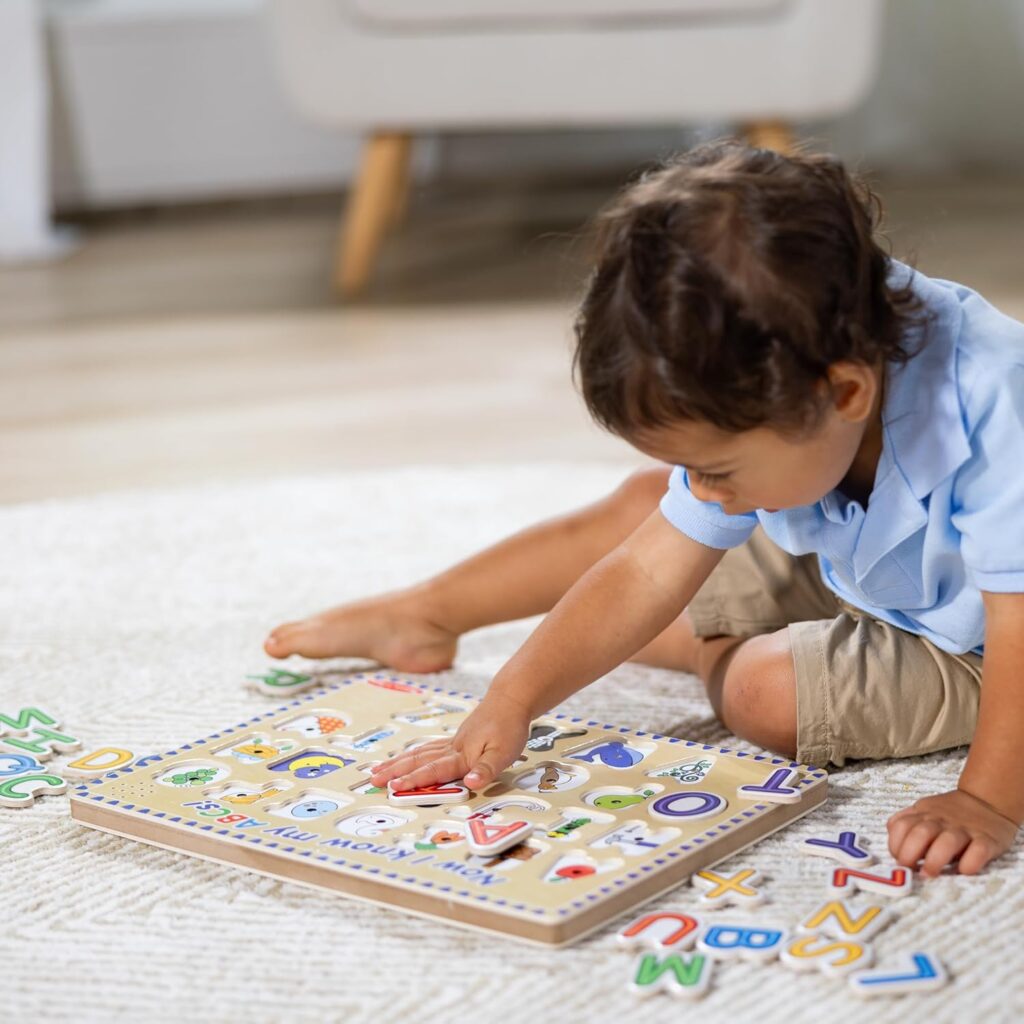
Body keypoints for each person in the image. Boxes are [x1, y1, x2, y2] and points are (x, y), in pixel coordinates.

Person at [265, 140, 1024, 877]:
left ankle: (704, 641)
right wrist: (512, 700)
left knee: (763, 692)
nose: (702, 486)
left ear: (845, 393)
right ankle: (427, 613)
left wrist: (986, 798)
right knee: (644, 516)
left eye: (715, 467)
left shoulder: (996, 408)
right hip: (883, 563)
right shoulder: (802, 352)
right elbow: (641, 570)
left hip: (988, 643)